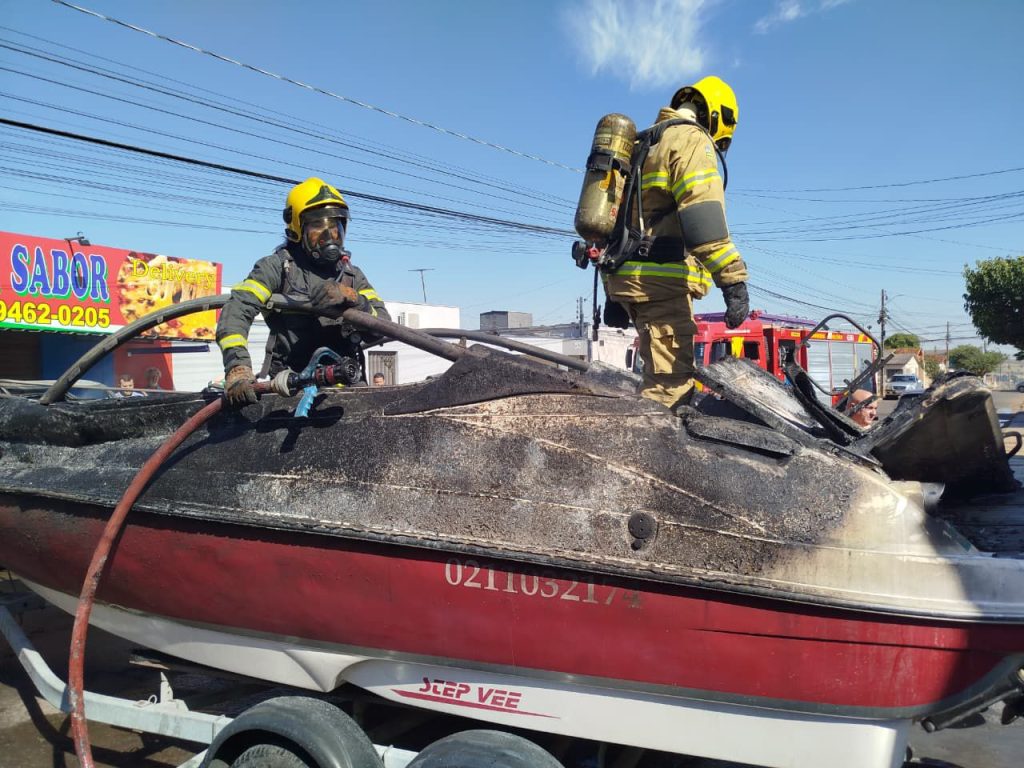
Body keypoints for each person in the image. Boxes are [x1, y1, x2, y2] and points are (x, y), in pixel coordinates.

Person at [605, 76, 749, 408]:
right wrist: (734, 281)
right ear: (719, 117)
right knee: (669, 392)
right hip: (662, 287)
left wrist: (613, 295)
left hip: (629, 284)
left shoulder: (642, 144)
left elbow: (613, 225)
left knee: (654, 378)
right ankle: (646, 457)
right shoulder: (691, 140)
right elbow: (703, 223)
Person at [216, 178, 390, 406]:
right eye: (318, 226)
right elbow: (237, 310)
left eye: (335, 227)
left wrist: (356, 300)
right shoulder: (277, 268)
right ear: (297, 228)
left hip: (349, 393)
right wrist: (238, 368)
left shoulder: (352, 275)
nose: (330, 237)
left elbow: (384, 326)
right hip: (291, 393)